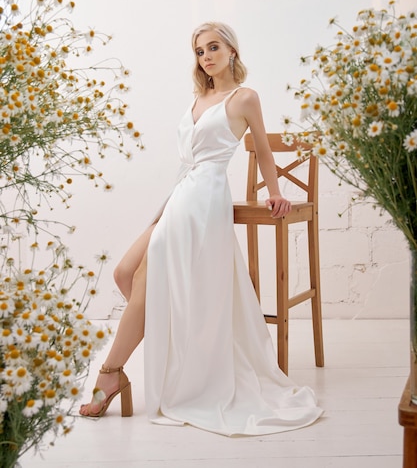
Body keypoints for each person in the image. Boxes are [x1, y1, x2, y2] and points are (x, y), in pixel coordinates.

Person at [80, 22, 323, 435]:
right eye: (199, 51)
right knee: (125, 273)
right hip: (182, 192)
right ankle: (178, 333)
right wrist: (166, 206)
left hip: (206, 195)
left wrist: (275, 191)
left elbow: (262, 148)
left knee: (143, 277)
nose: (206, 56)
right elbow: (187, 157)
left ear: (232, 51)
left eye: (213, 47)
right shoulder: (200, 96)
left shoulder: (244, 97)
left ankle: (111, 372)